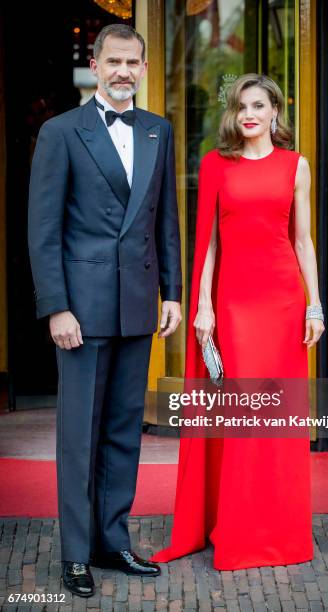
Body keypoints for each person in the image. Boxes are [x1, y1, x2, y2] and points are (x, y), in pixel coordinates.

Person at [28, 24, 182, 597]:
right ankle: (74, 554)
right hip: (81, 311)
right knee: (78, 436)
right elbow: (43, 231)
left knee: (123, 432)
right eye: (113, 61)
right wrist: (56, 308)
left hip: (138, 305)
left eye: (132, 63)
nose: (122, 71)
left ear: (143, 69)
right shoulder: (60, 132)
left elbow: (165, 218)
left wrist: (172, 293)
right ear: (95, 65)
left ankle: (112, 540)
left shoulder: (157, 131)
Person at [151, 73, 324, 570]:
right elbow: (205, 243)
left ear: (275, 112)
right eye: (241, 106)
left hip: (284, 303)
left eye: (259, 105)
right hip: (233, 304)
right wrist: (202, 304)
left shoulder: (297, 166)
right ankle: (237, 529)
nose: (249, 114)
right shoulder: (214, 167)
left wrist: (315, 305)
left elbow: (303, 242)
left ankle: (278, 533)